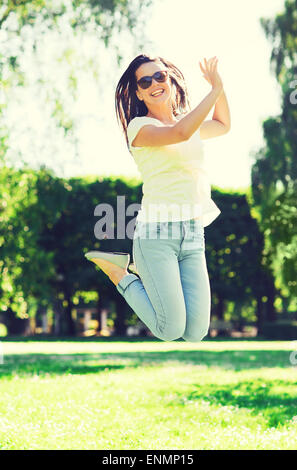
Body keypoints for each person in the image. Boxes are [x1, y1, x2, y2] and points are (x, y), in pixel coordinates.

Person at [85, 53, 230, 342]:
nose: (154, 83)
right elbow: (179, 132)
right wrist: (213, 90)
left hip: (192, 233)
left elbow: (223, 125)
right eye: (145, 81)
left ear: (171, 80)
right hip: (156, 234)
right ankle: (119, 274)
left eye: (160, 76)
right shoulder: (139, 128)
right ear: (138, 91)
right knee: (169, 330)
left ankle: (137, 271)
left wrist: (220, 86)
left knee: (195, 332)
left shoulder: (187, 122)